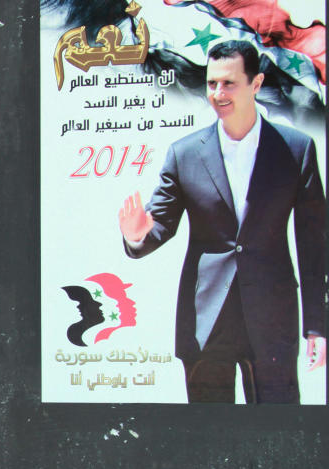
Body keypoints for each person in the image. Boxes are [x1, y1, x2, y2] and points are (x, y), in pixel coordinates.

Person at [118, 40, 326, 403]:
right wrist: (138, 236)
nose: (218, 93)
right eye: (212, 83)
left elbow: (314, 246)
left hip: (272, 320)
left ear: (256, 84)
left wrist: (317, 327)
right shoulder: (183, 153)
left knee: (277, 433)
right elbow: (160, 223)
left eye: (229, 83)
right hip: (205, 320)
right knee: (207, 436)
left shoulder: (297, 149)